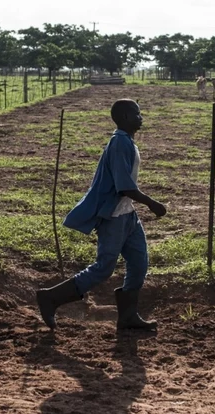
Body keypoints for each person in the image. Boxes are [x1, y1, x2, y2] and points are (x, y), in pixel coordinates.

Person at [36, 99, 167, 332]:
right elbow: (124, 186)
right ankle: (51, 298)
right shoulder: (119, 143)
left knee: (139, 263)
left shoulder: (127, 142)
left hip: (127, 214)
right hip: (113, 216)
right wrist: (152, 204)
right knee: (104, 267)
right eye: (137, 113)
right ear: (126, 117)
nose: (141, 117)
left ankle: (128, 316)